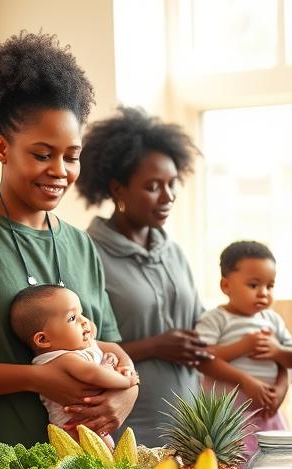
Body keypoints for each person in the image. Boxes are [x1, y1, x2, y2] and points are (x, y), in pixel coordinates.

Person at [0, 33, 137, 459]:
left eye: (71, 156)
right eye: (42, 154)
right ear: (2, 148)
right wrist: (35, 377)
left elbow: (107, 344)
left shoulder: (80, 244)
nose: (60, 170)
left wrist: (129, 391)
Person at [78, 106, 212, 447]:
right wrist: (155, 346)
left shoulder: (173, 252)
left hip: (191, 427)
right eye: (153, 186)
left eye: (172, 184)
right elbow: (79, 349)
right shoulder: (87, 253)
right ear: (118, 189)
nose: (168, 197)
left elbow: (200, 325)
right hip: (129, 431)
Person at [196, 241, 292, 457]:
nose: (263, 293)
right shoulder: (215, 319)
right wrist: (243, 352)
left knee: (274, 463)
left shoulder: (273, 320)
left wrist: (277, 356)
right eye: (254, 285)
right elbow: (202, 358)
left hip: (267, 416)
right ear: (226, 286)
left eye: (270, 286)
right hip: (227, 422)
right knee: (232, 468)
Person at [9, 284, 139, 432]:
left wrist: (126, 368)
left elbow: (114, 348)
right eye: (72, 318)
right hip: (72, 427)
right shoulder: (61, 359)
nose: (84, 321)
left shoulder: (82, 346)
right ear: (43, 340)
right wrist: (128, 381)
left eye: (81, 313)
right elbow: (94, 374)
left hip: (90, 422)